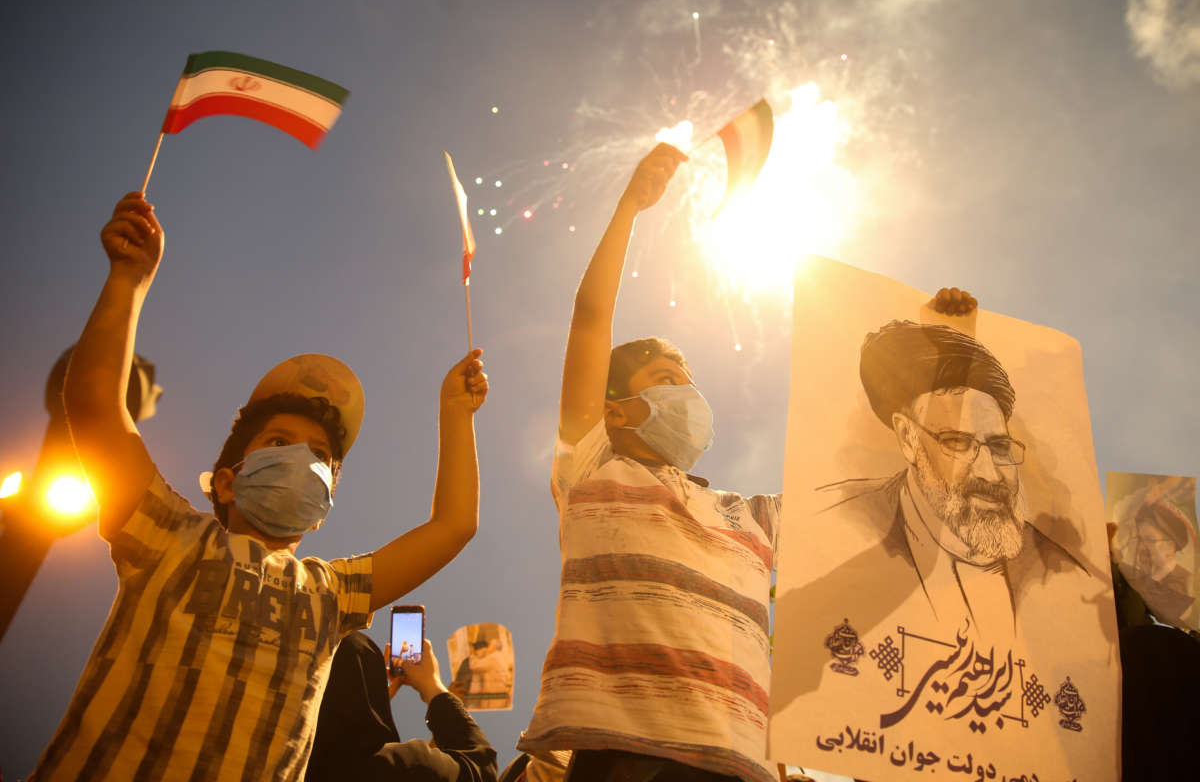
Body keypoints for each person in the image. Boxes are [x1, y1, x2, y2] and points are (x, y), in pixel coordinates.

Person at [29, 191, 489, 780]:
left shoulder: (333, 594)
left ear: (323, 505)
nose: (301, 459)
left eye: (320, 456)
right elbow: (92, 403)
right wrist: (129, 280)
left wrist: (456, 413)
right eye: (276, 444)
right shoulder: (166, 533)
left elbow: (454, 526)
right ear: (226, 481)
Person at [517, 143, 783, 782]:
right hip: (626, 762)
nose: (686, 395)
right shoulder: (594, 472)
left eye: (689, 381)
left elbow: (867, 502)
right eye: (666, 378)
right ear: (615, 410)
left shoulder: (749, 517)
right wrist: (631, 206)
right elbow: (590, 321)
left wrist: (945, 349)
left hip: (744, 769)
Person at [813, 319, 1087, 639]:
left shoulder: (1062, 575)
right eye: (957, 442)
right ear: (908, 438)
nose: (989, 472)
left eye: (999, 446)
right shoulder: (835, 523)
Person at [306, 634, 498, 782]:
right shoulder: (386, 768)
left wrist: (370, 705)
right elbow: (479, 770)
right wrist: (433, 688)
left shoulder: (290, 758)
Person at [1128, 499, 1194, 621]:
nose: (1141, 546)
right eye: (1140, 539)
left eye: (1149, 539)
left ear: (1170, 546)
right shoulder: (1139, 575)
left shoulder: (1182, 583)